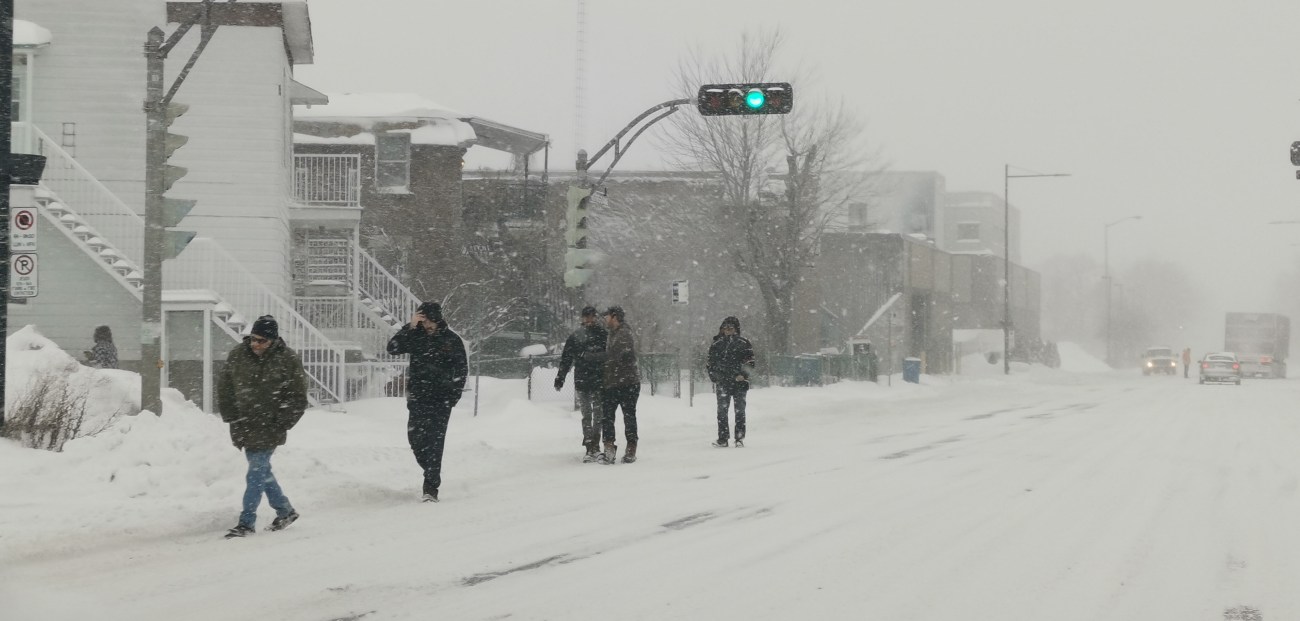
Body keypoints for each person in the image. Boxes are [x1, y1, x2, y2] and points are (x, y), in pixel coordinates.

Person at [217, 315, 308, 539]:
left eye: (262, 341)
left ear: (273, 340)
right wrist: (232, 417)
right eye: (253, 339)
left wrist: (282, 422)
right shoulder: (238, 355)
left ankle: (246, 521)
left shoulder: (287, 359)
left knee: (256, 471)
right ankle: (285, 511)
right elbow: (225, 388)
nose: (256, 345)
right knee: (262, 471)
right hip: (244, 425)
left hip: (270, 426)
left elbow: (298, 397)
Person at [386, 301, 468, 502]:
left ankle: (431, 487)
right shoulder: (415, 336)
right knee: (416, 440)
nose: (428, 325)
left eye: (431, 321)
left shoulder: (451, 340)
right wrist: (410, 326)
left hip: (441, 400)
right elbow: (392, 347)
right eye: (425, 321)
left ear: (438, 320)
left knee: (435, 442)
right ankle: (429, 469)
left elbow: (461, 369)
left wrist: (453, 396)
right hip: (418, 397)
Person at [554, 305, 609, 463]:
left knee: (598, 415)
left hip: (598, 379)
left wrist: (590, 357)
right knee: (587, 415)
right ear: (582, 318)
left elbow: (609, 355)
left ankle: (596, 445)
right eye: (586, 317)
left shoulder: (602, 335)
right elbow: (566, 358)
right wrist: (560, 377)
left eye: (591, 316)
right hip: (582, 380)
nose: (589, 319)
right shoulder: (576, 336)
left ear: (595, 317)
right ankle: (589, 446)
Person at [588, 306, 640, 464]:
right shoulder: (612, 334)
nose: (605, 319)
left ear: (615, 317)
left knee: (628, 416)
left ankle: (630, 449)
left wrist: (593, 357)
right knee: (608, 417)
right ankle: (609, 448)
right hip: (612, 383)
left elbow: (615, 355)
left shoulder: (624, 333)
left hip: (627, 383)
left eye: (607, 316)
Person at [707, 316, 756, 448]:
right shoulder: (716, 344)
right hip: (723, 383)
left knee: (739, 411)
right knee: (722, 411)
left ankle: (739, 438)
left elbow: (750, 362)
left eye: (730, 328)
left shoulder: (744, 343)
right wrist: (715, 377)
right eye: (725, 328)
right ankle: (723, 438)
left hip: (739, 383)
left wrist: (743, 375)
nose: (727, 330)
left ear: (736, 329)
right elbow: (710, 363)